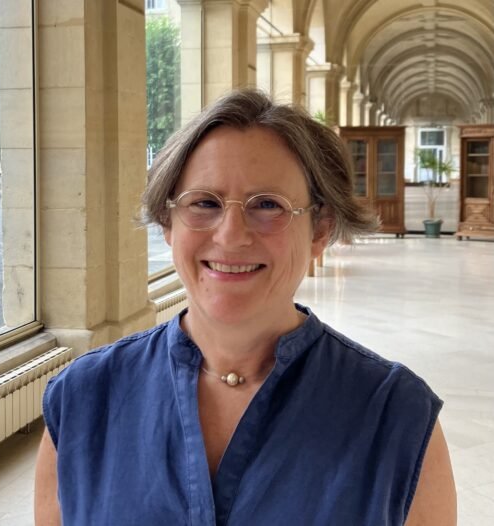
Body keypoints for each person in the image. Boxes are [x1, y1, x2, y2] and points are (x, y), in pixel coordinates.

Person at [35, 89, 456, 525]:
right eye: (204, 203)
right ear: (167, 222)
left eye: (268, 205)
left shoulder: (397, 418)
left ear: (320, 230)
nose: (231, 236)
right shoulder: (83, 399)